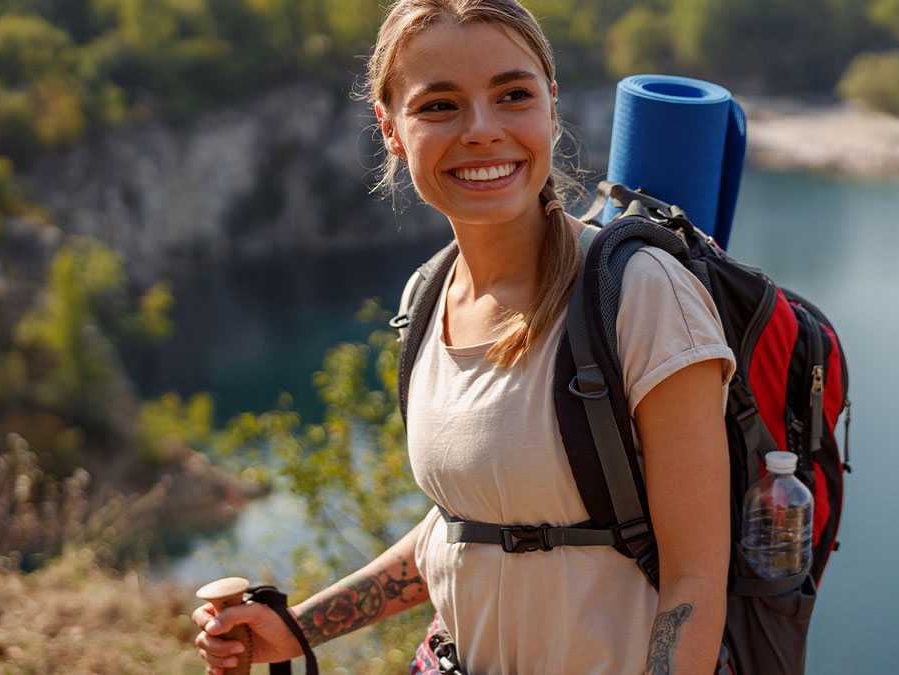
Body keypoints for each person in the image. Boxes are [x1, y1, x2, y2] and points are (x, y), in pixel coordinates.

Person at [192, 1, 736, 673]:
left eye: (513, 95)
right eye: (439, 106)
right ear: (391, 131)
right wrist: (299, 627)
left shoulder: (642, 294)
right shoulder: (427, 297)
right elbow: (468, 525)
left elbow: (696, 581)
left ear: (552, 106)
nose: (482, 131)